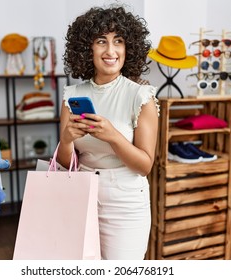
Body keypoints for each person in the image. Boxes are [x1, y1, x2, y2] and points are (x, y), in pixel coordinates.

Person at [57, 5, 159, 260]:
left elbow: (145, 166)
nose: (110, 51)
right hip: (81, 194)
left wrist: (112, 135)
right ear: (87, 48)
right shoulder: (73, 96)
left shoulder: (141, 96)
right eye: (101, 41)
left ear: (128, 48)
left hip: (125, 201)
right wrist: (67, 140)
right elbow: (64, 163)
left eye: (119, 41)